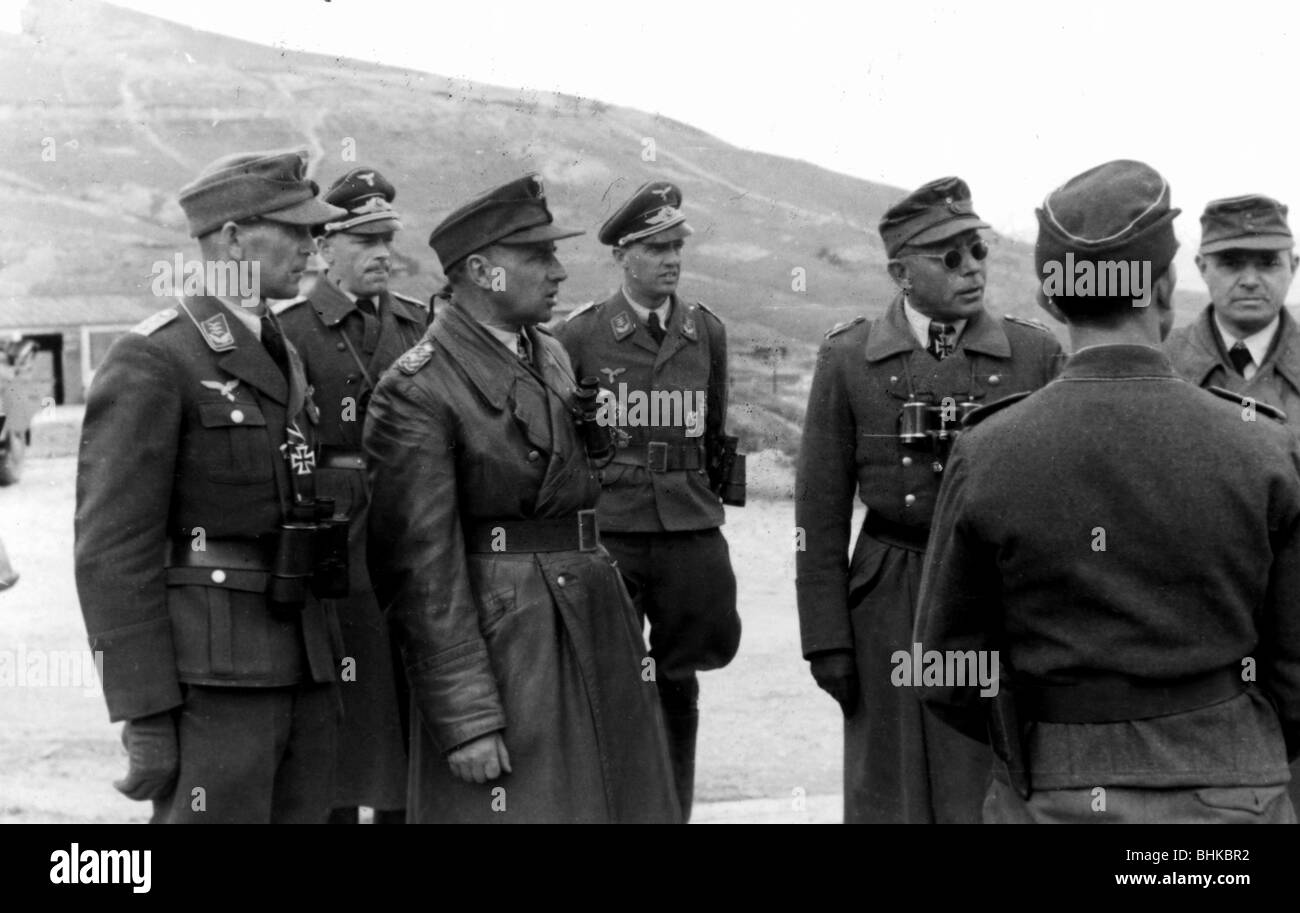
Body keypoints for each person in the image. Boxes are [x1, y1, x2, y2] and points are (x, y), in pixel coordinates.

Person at [916, 159, 1300, 824]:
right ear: (1161, 286)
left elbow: (944, 669)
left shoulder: (988, 452)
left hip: (1050, 788)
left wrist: (1036, 748)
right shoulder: (1262, 447)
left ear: (1053, 299)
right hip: (1230, 790)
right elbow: (1294, 664)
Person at [363, 173, 680, 823]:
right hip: (508, 645)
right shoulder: (419, 387)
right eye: (538, 256)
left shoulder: (552, 354)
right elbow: (421, 571)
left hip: (591, 616)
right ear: (481, 271)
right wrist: (467, 715)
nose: (559, 271)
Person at [74, 149, 347, 823]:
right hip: (214, 679)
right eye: (294, 229)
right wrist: (143, 708)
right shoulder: (157, 356)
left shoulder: (282, 346)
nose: (312, 246)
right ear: (231, 238)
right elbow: (111, 550)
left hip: (302, 657)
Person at [795, 176, 1064, 823]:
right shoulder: (850, 358)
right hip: (891, 591)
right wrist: (826, 639)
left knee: (986, 771)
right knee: (889, 778)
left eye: (977, 251)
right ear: (901, 273)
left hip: (992, 593)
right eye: (950, 257)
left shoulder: (1033, 355)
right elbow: (819, 514)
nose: (972, 268)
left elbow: (1061, 503)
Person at [555, 180, 742, 820]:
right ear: (622, 256)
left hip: (688, 525)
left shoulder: (705, 331)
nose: (671, 259)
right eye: (657, 247)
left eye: (677, 247)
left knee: (680, 677)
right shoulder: (578, 335)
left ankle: (672, 809)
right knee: (606, 679)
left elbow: (714, 430)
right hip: (613, 526)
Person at [276, 167, 428, 824]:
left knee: (405, 688)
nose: (381, 252)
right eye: (364, 239)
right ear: (326, 245)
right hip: (335, 526)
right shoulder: (290, 330)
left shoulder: (419, 324)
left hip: (409, 517)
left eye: (386, 237)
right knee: (340, 688)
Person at [1165, 195, 1300, 419]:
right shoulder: (1161, 363)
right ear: (1202, 267)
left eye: (1268, 263)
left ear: (1292, 267)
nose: (1250, 281)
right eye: (1231, 263)